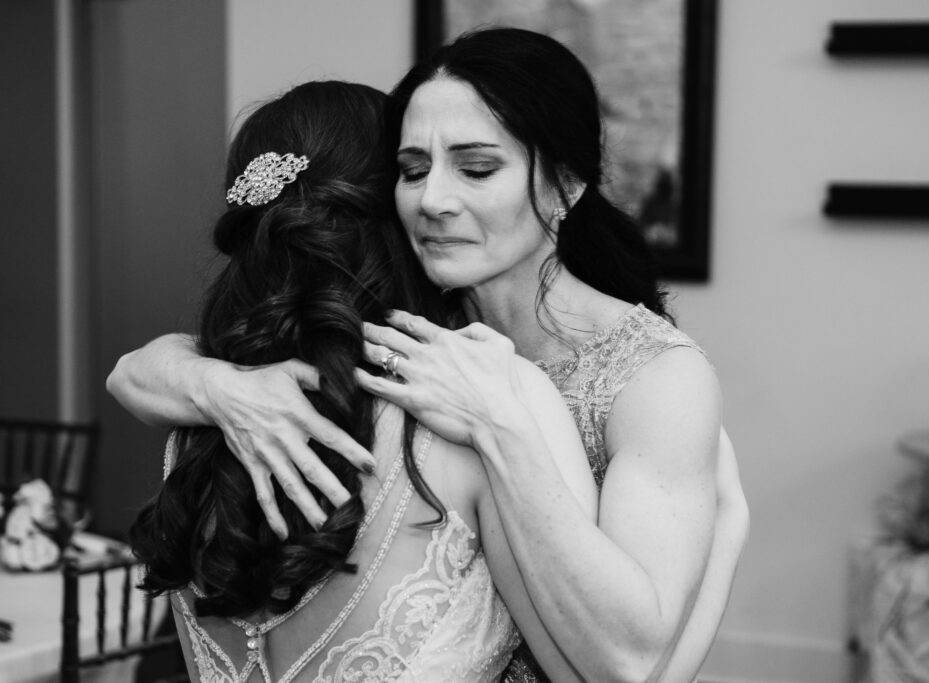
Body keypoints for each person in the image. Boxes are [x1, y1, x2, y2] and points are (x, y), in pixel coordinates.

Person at [110, 29, 749, 683]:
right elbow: (135, 369)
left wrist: (505, 429)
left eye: (475, 169)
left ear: (565, 184)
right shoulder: (401, 329)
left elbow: (631, 665)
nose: (433, 200)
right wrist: (214, 382)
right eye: (413, 170)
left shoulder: (654, 377)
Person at [127, 80, 599, 683]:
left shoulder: (198, 427)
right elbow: (592, 672)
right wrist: (726, 525)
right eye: (412, 172)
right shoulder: (482, 412)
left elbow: (135, 372)